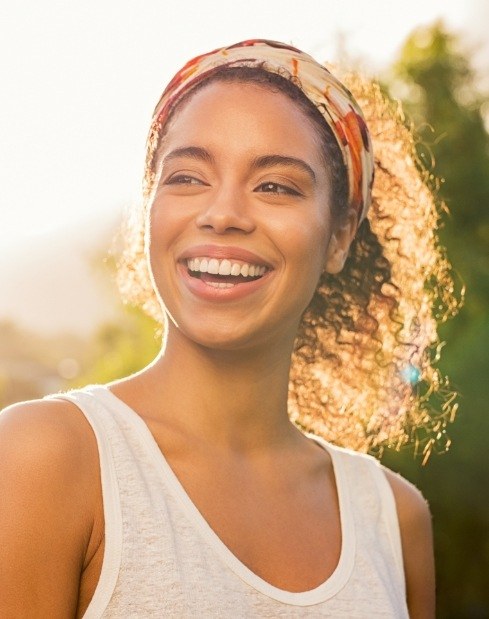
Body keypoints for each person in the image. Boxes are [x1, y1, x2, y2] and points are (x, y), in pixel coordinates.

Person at [1, 39, 458, 617]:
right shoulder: (45, 459)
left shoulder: (393, 520)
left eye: (275, 186)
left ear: (339, 236)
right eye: (188, 177)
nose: (221, 214)